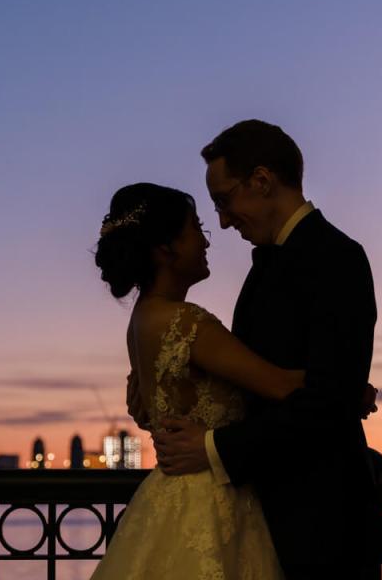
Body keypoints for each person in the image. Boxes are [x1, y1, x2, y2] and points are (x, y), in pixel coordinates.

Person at [146, 119, 382, 579]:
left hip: (322, 525)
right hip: (271, 518)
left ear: (261, 181)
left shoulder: (336, 257)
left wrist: (214, 449)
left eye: (223, 199)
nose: (221, 220)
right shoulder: (267, 263)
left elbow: (325, 404)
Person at [90, 181, 303, 579]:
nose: (207, 242)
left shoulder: (142, 319)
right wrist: (347, 387)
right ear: (165, 247)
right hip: (211, 498)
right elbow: (280, 386)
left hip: (171, 494)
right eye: (196, 230)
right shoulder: (186, 323)